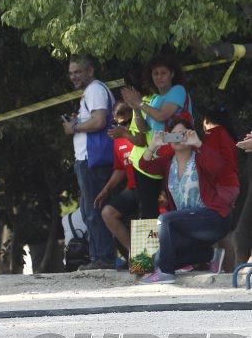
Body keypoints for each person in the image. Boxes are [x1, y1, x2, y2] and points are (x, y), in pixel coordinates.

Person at [137, 118, 239, 284]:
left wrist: (198, 143)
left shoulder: (200, 157)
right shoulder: (167, 162)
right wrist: (154, 145)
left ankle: (166, 274)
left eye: (182, 134)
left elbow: (218, 167)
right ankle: (211, 255)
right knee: (158, 259)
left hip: (212, 218)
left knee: (164, 220)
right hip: (186, 225)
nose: (178, 138)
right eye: (173, 135)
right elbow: (144, 165)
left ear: (190, 135)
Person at [61, 55, 116, 270]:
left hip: (92, 160)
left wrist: (73, 128)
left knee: (93, 210)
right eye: (71, 72)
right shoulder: (90, 92)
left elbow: (100, 120)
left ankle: (103, 258)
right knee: (87, 210)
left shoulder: (94, 90)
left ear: (90, 71)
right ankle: (98, 257)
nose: (74, 76)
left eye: (78, 71)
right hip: (86, 159)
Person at [122, 56, 193, 218]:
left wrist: (140, 103)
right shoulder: (154, 99)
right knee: (152, 209)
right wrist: (136, 108)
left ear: (172, 74)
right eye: (155, 74)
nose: (159, 77)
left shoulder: (178, 90)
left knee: (179, 204)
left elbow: (162, 115)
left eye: (163, 73)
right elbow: (144, 129)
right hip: (159, 159)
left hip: (178, 156)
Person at [95, 102, 139, 260]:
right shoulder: (118, 139)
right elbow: (120, 168)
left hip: (150, 187)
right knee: (107, 213)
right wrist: (106, 189)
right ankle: (135, 255)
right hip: (132, 189)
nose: (124, 127)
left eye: (128, 122)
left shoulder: (141, 134)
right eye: (120, 124)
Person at [202, 107, 240, 272]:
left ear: (206, 121)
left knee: (218, 229)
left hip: (222, 187)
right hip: (232, 186)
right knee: (223, 229)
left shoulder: (213, 134)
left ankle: (222, 268)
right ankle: (230, 269)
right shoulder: (227, 134)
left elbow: (209, 163)